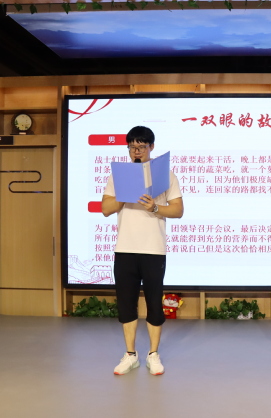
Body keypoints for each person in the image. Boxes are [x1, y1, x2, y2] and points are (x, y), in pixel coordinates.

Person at [101, 126, 184, 376]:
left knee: (153, 302)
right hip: (125, 248)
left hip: (153, 249)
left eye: (141, 146)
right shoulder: (118, 176)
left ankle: (153, 354)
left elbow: (178, 210)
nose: (136, 151)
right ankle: (130, 355)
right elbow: (105, 208)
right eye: (132, 147)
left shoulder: (165, 175)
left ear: (151, 147)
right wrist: (125, 195)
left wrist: (155, 208)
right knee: (126, 303)